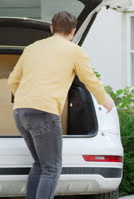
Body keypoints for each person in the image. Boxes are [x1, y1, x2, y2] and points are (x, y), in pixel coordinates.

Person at [8, 11, 114, 199]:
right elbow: (89, 79)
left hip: (20, 111)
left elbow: (13, 81)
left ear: (51, 28)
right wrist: (105, 101)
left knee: (40, 165)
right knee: (52, 167)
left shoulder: (32, 48)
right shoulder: (74, 50)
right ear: (73, 31)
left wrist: (27, 100)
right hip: (44, 112)